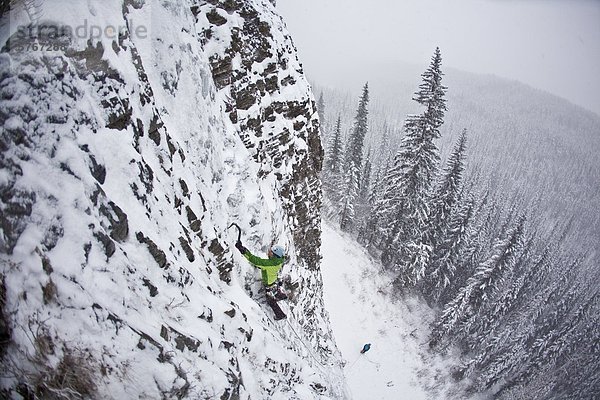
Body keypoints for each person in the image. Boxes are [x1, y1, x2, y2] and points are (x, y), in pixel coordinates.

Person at [235, 241, 287, 320]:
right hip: (273, 281)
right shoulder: (278, 261)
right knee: (275, 290)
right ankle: (280, 295)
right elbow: (264, 265)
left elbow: (255, 261)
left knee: (270, 301)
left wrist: (243, 251)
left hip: (269, 284)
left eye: (270, 251)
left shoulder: (269, 264)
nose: (268, 252)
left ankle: (280, 315)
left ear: (274, 255)